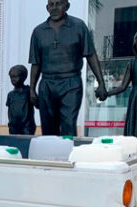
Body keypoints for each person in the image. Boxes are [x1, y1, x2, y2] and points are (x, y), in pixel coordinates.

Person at [29, 0, 107, 136]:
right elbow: (35, 63)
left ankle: (69, 150)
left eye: (58, 4)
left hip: (71, 83)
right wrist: (32, 89)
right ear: (47, 7)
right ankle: (50, 150)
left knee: (68, 124)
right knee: (48, 128)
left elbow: (91, 55)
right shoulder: (38, 31)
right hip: (47, 84)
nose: (54, 8)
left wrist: (101, 83)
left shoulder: (78, 26)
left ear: (67, 6)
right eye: (51, 4)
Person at [6, 65, 37, 135]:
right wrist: (10, 122)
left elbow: (37, 104)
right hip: (14, 125)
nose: (13, 79)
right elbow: (9, 111)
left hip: (27, 126)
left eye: (15, 76)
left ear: (23, 77)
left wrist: (34, 95)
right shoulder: (10, 94)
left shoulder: (29, 91)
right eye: (11, 77)